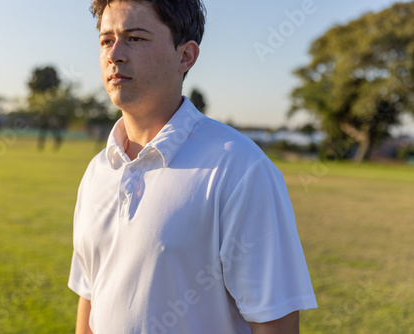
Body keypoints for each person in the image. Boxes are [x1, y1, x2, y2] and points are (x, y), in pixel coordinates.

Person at [68, 0, 318, 333]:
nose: (114, 54)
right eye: (106, 40)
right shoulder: (98, 170)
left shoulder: (239, 167)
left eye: (135, 38)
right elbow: (90, 295)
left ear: (185, 56)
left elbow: (275, 321)